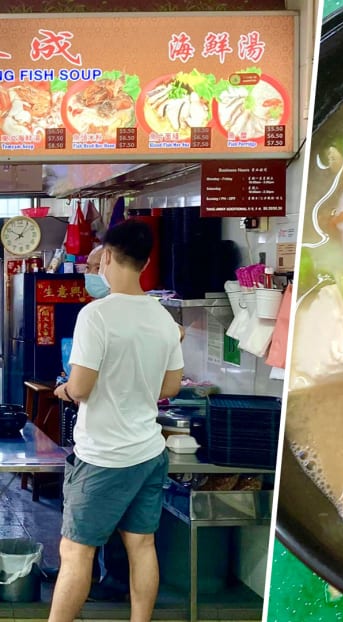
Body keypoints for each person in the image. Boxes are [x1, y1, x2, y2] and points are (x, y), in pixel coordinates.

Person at [49, 220, 184, 622]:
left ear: (107, 257)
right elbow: (171, 386)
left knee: (76, 551)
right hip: (148, 452)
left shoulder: (96, 316)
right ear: (144, 263)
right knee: (141, 546)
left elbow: (83, 386)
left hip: (105, 457)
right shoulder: (164, 319)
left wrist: (67, 390)